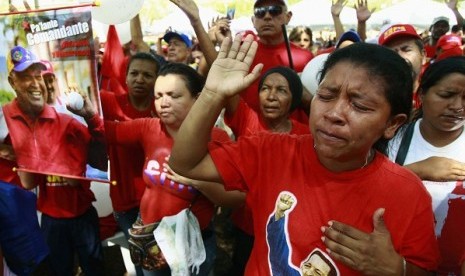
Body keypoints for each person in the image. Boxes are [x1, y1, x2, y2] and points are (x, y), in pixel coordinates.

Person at [169, 35, 439, 274]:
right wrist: (212, 94)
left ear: (392, 123)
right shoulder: (272, 152)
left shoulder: (408, 194)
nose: (334, 114)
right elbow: (185, 163)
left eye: (359, 105)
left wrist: (397, 269)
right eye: (326, 95)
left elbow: (425, 269)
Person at [104, 63, 233, 276]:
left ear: (197, 98)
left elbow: (233, 198)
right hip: (152, 246)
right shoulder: (149, 128)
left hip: (192, 248)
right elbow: (109, 131)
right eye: (158, 95)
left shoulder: (217, 139)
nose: (164, 103)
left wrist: (195, 180)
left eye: (174, 95)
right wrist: (86, 113)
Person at [3, 45, 105, 275]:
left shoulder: (67, 123)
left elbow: (100, 159)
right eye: (25, 77)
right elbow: (29, 182)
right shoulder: (9, 122)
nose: (38, 84)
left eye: (39, 76)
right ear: (12, 82)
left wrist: (91, 117)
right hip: (50, 219)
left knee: (94, 268)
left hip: (82, 214)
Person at [388, 56, 465, 275]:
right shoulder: (395, 139)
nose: (457, 107)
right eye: (446, 95)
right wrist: (417, 171)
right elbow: (366, 193)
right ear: (422, 94)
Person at [100, 52, 160, 276]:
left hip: (155, 204)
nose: (140, 79)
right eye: (134, 73)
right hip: (124, 202)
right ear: (125, 77)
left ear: (157, 79)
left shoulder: (162, 107)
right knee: (140, 261)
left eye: (147, 75)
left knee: (153, 266)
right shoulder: (109, 101)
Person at [243, 0, 314, 122]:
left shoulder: (305, 57)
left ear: (288, 17)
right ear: (253, 20)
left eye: (275, 10)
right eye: (260, 12)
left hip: (296, 138)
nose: (267, 16)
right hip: (250, 137)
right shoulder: (243, 55)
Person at [225, 66, 310, 137]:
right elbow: (224, 83)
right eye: (265, 88)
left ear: (294, 99)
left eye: (281, 90)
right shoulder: (246, 121)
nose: (271, 96)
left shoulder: (306, 135)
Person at [378, 23, 427, 108]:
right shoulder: (375, 97)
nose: (400, 56)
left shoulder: (434, 95)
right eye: (392, 52)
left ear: (423, 56)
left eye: (406, 49)